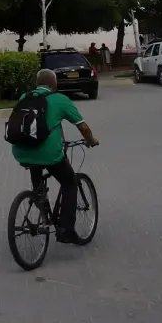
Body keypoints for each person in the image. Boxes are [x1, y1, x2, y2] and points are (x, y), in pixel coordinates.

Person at [11, 68, 99, 245]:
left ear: (37, 84)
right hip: (49, 153)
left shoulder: (24, 97)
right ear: (54, 84)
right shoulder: (60, 99)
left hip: (22, 151)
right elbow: (83, 128)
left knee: (37, 182)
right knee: (69, 182)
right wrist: (90, 140)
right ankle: (66, 229)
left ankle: (42, 207)